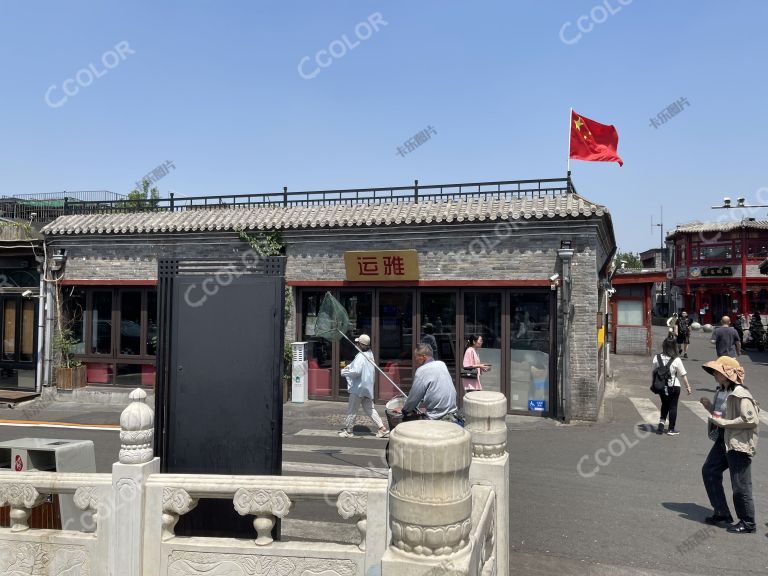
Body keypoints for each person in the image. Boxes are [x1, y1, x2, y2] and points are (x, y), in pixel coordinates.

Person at [701, 356, 759, 533]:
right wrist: (709, 407)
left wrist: (725, 424)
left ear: (728, 374)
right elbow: (721, 415)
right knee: (710, 470)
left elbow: (751, 420)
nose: (715, 374)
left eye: (718, 371)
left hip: (738, 442)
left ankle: (748, 522)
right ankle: (722, 512)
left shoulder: (741, 393)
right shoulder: (721, 391)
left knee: (740, 484)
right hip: (723, 439)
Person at [338, 334, 389, 439]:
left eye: (358, 343)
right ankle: (382, 428)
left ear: (360, 344)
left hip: (358, 388)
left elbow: (356, 371)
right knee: (370, 409)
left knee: (352, 409)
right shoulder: (370, 354)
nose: (356, 344)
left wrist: (344, 371)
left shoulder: (361, 356)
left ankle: (348, 431)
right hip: (367, 387)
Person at [401, 343, 459, 422]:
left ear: (423, 357)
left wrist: (405, 410)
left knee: (407, 423)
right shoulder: (442, 364)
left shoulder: (422, 371)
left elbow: (414, 397)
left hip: (437, 415)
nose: (415, 360)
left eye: (416, 357)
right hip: (453, 412)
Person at [652, 335, 692, 435]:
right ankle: (671, 429)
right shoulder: (676, 360)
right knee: (673, 407)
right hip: (674, 386)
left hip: (661, 386)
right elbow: (683, 375)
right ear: (674, 347)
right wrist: (688, 387)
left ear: (664, 346)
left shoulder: (656, 358)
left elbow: (655, 372)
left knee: (664, 404)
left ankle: (661, 425)